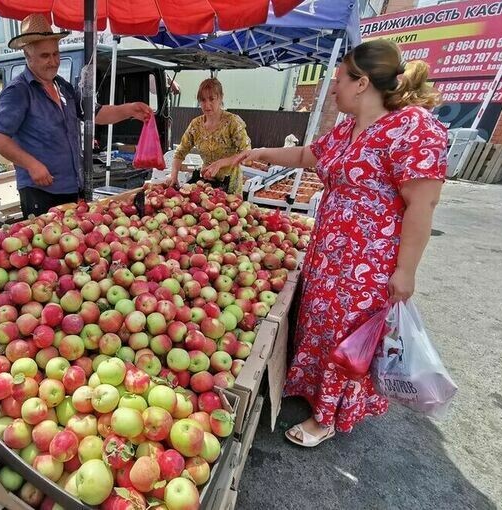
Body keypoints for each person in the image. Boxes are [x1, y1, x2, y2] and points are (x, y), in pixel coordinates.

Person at [212, 39, 448, 446]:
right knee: (319, 325)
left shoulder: (412, 127)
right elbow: (307, 156)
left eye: (338, 80)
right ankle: (310, 390)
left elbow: (422, 204)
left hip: (368, 262)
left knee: (347, 337)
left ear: (361, 83)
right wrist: (255, 153)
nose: (333, 87)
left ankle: (327, 418)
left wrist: (406, 271)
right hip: (328, 252)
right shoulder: (347, 129)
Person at [0, 14, 151, 217]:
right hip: (41, 192)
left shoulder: (62, 86)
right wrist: (32, 165)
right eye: (45, 56)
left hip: (71, 186)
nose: (53, 61)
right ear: (27, 56)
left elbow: (94, 114)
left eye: (56, 54)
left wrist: (130, 109)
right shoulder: (19, 91)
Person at [165, 78, 250, 195]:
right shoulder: (196, 125)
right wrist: (173, 175)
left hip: (230, 186)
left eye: (212, 99)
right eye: (203, 100)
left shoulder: (232, 122)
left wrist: (220, 163)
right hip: (206, 183)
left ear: (220, 98)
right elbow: (180, 152)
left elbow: (246, 153)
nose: (207, 104)